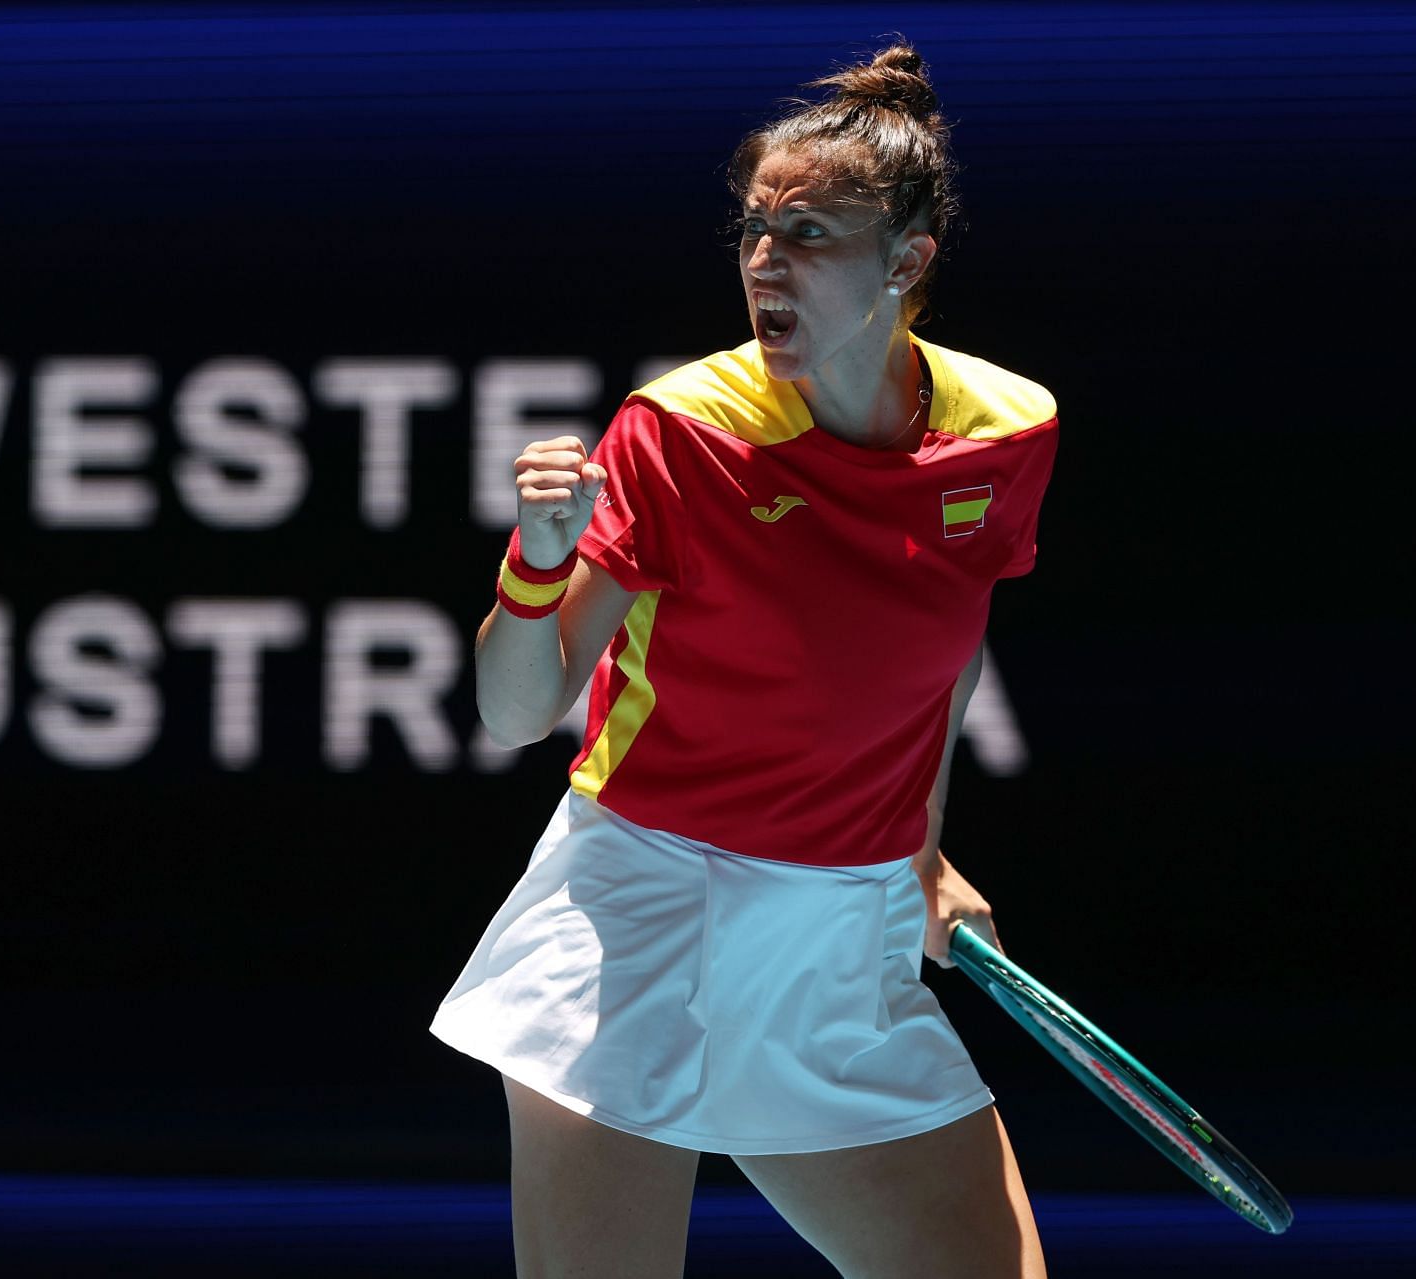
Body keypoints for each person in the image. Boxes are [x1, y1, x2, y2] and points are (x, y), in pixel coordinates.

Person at [431, 42, 1057, 1279]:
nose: (767, 263)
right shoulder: (684, 433)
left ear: (908, 262)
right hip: (642, 912)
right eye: (756, 232)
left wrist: (921, 852)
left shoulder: (1008, 430)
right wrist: (538, 558)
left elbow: (948, 656)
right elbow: (520, 712)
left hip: (846, 928)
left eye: (811, 234)